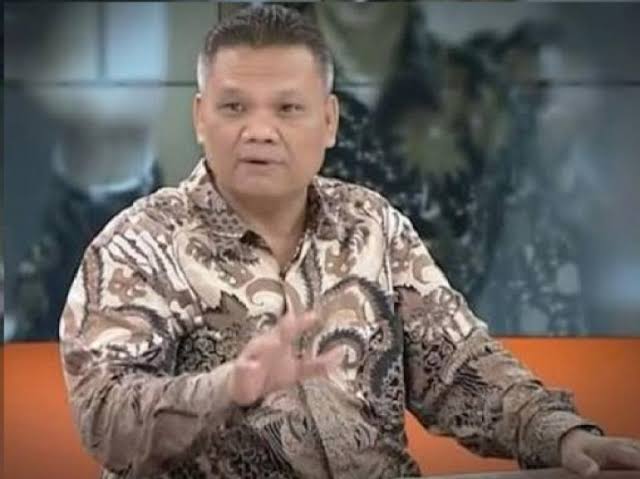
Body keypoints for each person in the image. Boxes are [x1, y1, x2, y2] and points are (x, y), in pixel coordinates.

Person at [59, 5, 640, 479]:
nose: (259, 130)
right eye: (233, 107)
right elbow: (104, 419)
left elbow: (458, 365)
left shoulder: (373, 225)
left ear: (330, 121)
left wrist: (558, 435)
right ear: (199, 118)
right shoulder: (136, 245)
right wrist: (226, 388)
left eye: (288, 108)